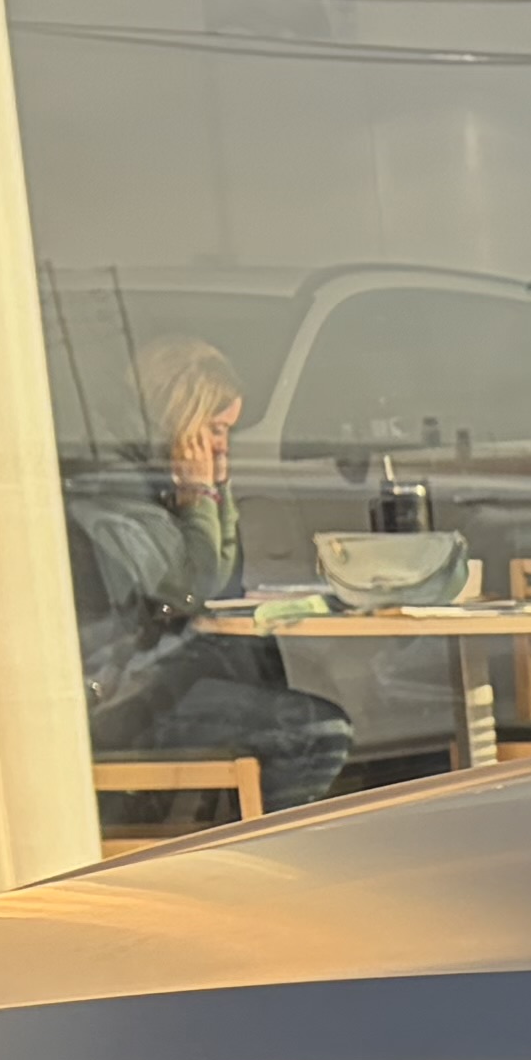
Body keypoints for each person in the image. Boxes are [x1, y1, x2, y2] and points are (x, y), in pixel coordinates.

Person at [65, 334, 351, 814]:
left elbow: (221, 583)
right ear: (183, 417)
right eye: (216, 429)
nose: (222, 445)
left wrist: (216, 494)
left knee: (274, 688)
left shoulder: (155, 480)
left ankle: (235, 830)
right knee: (318, 734)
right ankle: (254, 843)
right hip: (122, 701)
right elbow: (189, 589)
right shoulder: (118, 486)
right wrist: (200, 496)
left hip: (150, 682)